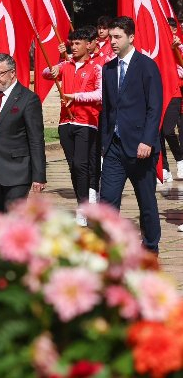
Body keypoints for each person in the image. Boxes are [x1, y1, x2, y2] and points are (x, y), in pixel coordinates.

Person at [99, 16, 162, 254]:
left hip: (140, 147)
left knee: (146, 201)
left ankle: (151, 246)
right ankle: (106, 246)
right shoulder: (108, 68)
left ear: (131, 37)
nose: (112, 41)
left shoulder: (147, 66)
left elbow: (155, 106)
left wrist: (147, 139)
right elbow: (107, 108)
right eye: (111, 37)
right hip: (114, 147)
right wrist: (104, 143)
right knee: (107, 201)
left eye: (117, 37)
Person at [42, 27, 102, 225]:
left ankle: (84, 207)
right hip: (65, 121)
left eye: (78, 44)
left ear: (88, 45)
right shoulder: (66, 65)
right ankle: (82, 202)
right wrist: (54, 70)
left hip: (86, 122)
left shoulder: (95, 68)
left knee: (81, 164)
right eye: (72, 44)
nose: (74, 47)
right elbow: (45, 73)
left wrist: (75, 97)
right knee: (73, 167)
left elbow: (100, 95)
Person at [0, 53, 46, 212]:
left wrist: (39, 176)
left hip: (17, 171)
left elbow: (36, 140)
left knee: (13, 218)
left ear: (12, 73)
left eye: (0, 73)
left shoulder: (28, 99)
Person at [159, 18, 183, 183]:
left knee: (168, 130)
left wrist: (177, 48)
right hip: (159, 94)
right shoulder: (159, 49)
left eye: (170, 29)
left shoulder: (179, 48)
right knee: (158, 132)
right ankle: (164, 167)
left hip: (174, 93)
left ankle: (180, 159)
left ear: (175, 30)